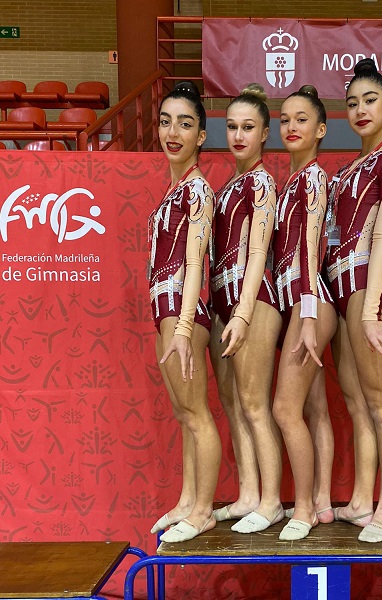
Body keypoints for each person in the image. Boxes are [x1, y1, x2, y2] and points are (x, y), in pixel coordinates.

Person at [325, 59, 382, 543]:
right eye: (353, 103)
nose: (360, 110)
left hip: (372, 288)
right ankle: (360, 499)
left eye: (370, 100)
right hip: (342, 290)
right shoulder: (342, 172)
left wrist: (373, 308)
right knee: (357, 404)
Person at [208, 84, 284, 534]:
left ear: (265, 134)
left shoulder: (261, 182)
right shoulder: (229, 184)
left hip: (253, 299)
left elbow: (258, 253)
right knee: (233, 403)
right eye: (232, 127)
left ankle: (272, 501)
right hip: (225, 297)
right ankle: (250, 493)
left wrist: (241, 311)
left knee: (255, 404)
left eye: (248, 128)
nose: (238, 135)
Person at [148, 81, 221, 543]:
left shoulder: (198, 191)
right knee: (182, 413)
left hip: (182, 311)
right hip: (165, 310)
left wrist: (184, 325)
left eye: (186, 124)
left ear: (201, 136)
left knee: (197, 414)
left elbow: (195, 262)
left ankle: (204, 510)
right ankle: (187, 499)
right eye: (166, 121)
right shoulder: (174, 190)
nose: (173, 132)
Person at [271, 85, 337, 541]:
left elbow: (312, 251)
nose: (291, 127)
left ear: (321, 130)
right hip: (300, 303)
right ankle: (323, 503)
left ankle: (304, 509)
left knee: (283, 408)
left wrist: (308, 317)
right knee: (315, 408)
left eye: (301, 120)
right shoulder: (290, 181)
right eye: (285, 119)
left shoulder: (313, 178)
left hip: (309, 302)